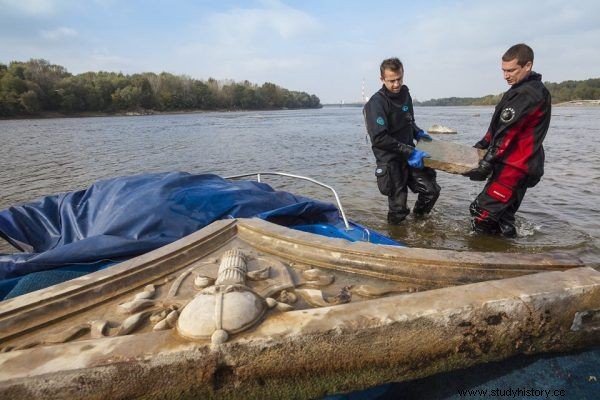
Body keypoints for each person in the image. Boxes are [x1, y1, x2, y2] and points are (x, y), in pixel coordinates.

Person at [463, 43, 551, 238]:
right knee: (502, 217)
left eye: (511, 70)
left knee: (481, 212)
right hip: (520, 165)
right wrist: (481, 146)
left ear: (527, 66)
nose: (506, 75)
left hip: (516, 166)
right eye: (503, 70)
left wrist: (485, 163)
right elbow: (497, 129)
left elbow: (507, 134)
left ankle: (483, 256)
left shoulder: (528, 94)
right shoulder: (521, 89)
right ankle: (508, 251)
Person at [363, 58, 441, 225]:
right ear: (382, 79)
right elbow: (379, 138)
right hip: (390, 160)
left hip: (409, 156)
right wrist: (411, 151)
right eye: (391, 80)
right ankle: (395, 239)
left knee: (431, 191)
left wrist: (417, 132)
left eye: (399, 78)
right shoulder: (376, 103)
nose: (397, 84)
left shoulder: (405, 94)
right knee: (398, 209)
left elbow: (408, 121)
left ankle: (418, 222)